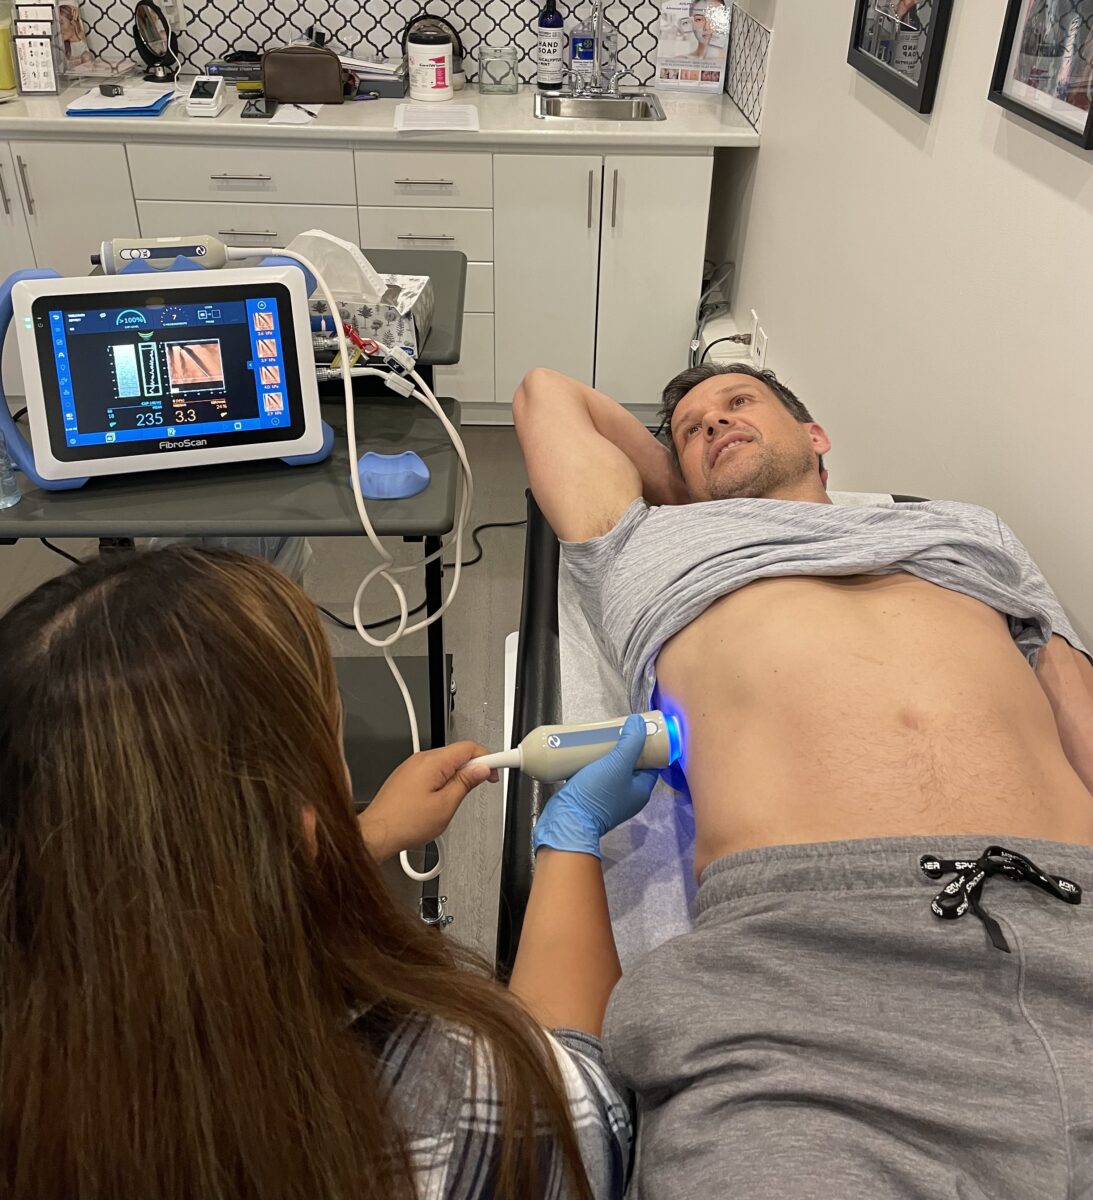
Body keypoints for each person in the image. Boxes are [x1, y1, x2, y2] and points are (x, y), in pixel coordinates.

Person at [514, 363, 1093, 1198]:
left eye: (738, 404)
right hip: (805, 982)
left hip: (1068, 908)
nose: (713, 423)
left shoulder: (968, 529)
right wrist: (682, 485)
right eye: (689, 428)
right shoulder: (642, 545)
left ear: (815, 436)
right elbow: (543, 392)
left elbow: (1064, 680)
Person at [0, 545, 657, 1199]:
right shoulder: (446, 1105)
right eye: (329, 732)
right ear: (305, 825)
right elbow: (578, 1122)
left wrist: (362, 838)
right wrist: (569, 839)